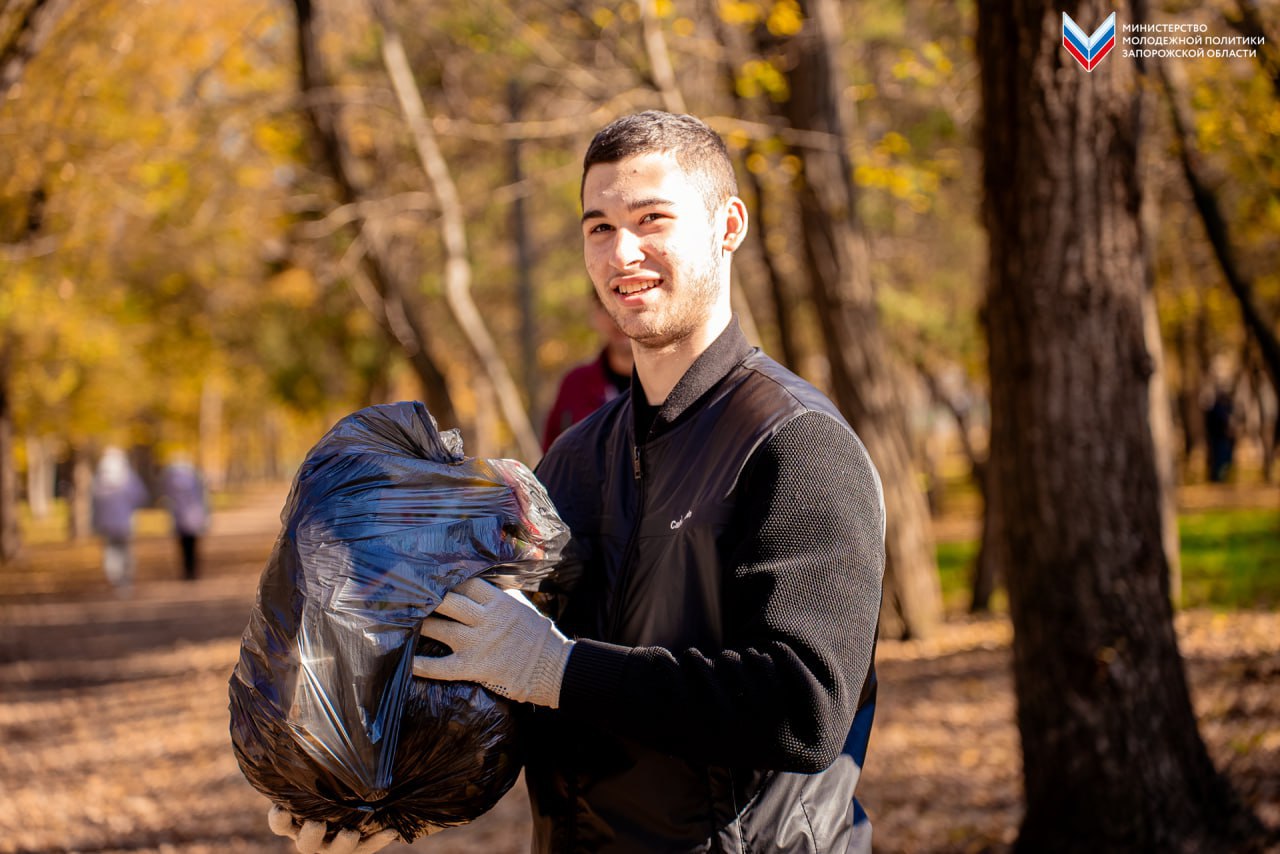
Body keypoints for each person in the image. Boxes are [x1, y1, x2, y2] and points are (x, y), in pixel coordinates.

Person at [269, 111, 885, 853]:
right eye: (599, 227)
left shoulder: (794, 442)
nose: (623, 252)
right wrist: (384, 801)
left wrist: (559, 668)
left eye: (651, 219)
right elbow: (512, 676)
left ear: (728, 227)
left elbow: (805, 706)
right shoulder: (575, 458)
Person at [541, 294, 634, 451]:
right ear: (595, 316)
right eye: (607, 307)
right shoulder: (575, 385)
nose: (618, 318)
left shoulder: (671, 383)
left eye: (629, 306)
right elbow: (550, 458)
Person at [90, 446, 149, 591]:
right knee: (125, 551)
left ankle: (115, 577)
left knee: (111, 551)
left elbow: (94, 502)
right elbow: (140, 496)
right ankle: (125, 580)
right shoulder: (128, 477)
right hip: (125, 522)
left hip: (106, 523)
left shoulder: (98, 479)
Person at [158, 456, 210, 580]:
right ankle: (193, 570)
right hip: (194, 515)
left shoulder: (170, 479)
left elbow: (166, 497)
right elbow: (202, 496)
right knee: (193, 544)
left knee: (183, 545)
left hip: (179, 516)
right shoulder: (195, 477)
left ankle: (186, 570)